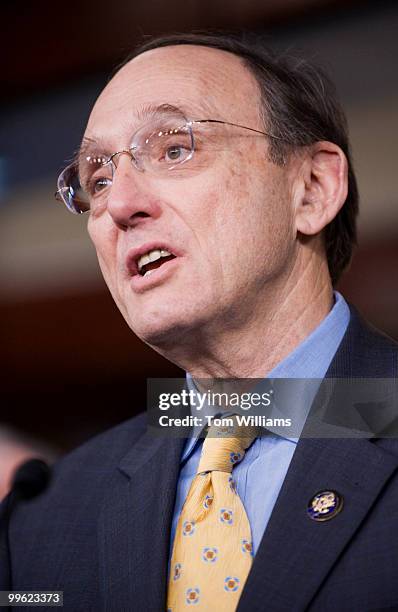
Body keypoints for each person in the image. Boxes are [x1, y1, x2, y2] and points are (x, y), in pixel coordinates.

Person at [1, 32, 397, 611]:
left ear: (311, 188)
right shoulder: (43, 518)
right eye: (98, 179)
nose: (118, 205)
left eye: (174, 149)